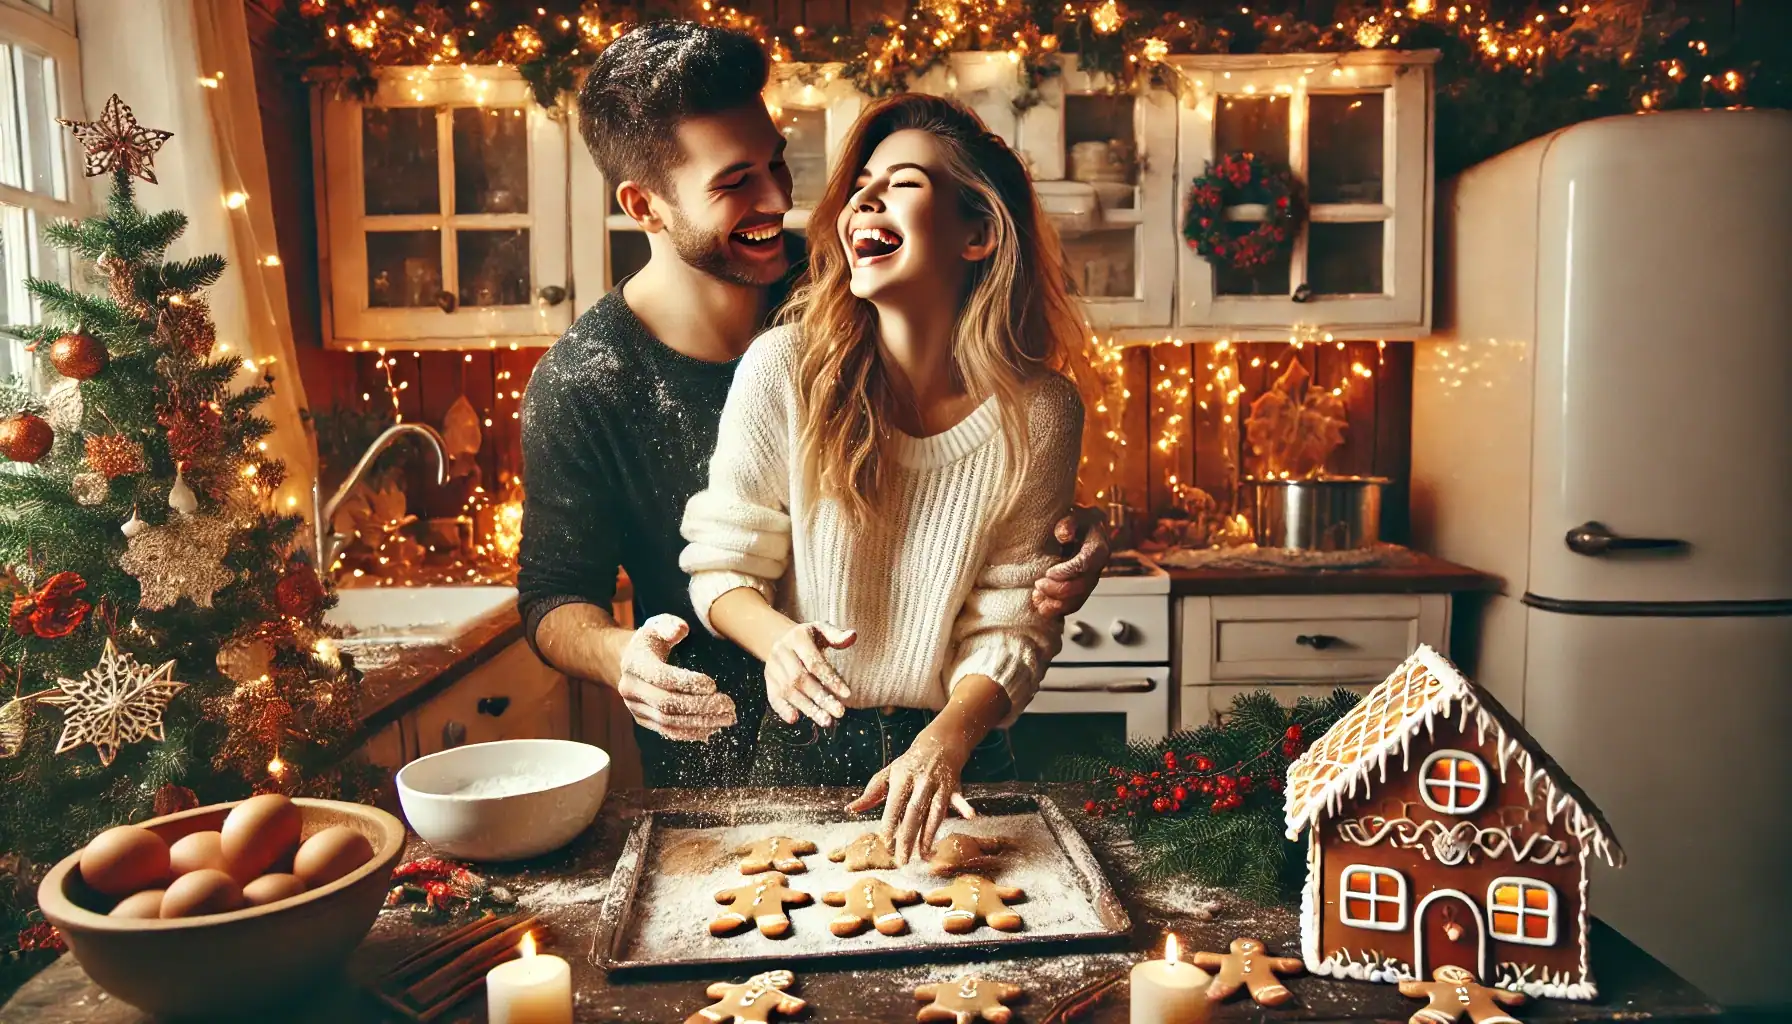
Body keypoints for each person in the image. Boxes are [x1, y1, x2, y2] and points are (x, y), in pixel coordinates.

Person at [518, 22, 1109, 789]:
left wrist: (1067, 531)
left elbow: (982, 516)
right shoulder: (586, 381)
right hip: (716, 759)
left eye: (776, 163)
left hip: (938, 751)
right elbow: (556, 594)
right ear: (647, 206)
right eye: (735, 182)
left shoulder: (847, 275)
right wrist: (622, 656)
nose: (779, 199)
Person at [680, 93, 1095, 861]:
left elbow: (1014, 622)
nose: (865, 198)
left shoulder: (1040, 413)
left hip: (959, 753)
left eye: (905, 182)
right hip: (803, 745)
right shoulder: (784, 371)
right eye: (863, 182)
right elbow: (721, 564)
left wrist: (947, 742)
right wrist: (779, 643)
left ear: (977, 233)